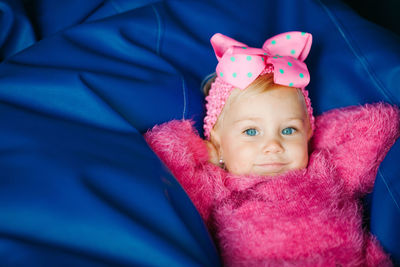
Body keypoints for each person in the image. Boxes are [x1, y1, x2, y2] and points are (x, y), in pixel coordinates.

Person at [145, 32, 399, 266]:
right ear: (218, 140)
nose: (273, 146)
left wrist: (313, 134)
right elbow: (160, 155)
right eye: (251, 132)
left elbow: (382, 123)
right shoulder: (216, 186)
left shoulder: (326, 168)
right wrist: (206, 151)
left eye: (288, 130)